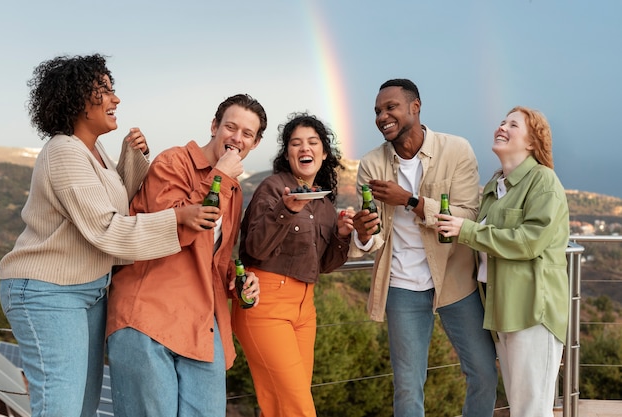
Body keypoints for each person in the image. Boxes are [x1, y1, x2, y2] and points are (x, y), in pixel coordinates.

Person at [0, 54, 210, 417]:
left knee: (82, 406)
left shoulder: (93, 151)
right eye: (105, 91)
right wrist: (177, 218)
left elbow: (110, 205)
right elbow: (106, 229)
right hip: (48, 293)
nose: (116, 99)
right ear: (80, 100)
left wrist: (130, 158)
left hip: (89, 290)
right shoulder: (63, 151)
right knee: (60, 407)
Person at [106, 93, 267, 417]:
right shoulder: (174, 162)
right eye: (231, 127)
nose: (237, 138)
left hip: (202, 324)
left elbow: (215, 260)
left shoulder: (233, 190)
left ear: (256, 142)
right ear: (214, 126)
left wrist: (240, 283)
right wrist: (219, 176)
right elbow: (170, 231)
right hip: (147, 318)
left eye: (247, 134)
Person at [349, 79, 498, 417]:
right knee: (407, 386)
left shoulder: (456, 150)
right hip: (401, 287)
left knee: (484, 373)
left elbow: (468, 215)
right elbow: (373, 238)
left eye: (391, 107)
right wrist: (361, 233)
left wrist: (411, 201)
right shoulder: (371, 164)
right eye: (377, 111)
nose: (382, 116)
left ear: (415, 107)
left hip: (456, 282)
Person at [436, 106, 569, 417]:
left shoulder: (543, 181)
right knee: (521, 407)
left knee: (532, 410)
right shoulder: (495, 186)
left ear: (533, 142)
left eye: (513, 125)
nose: (502, 127)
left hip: (532, 312)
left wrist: (467, 230)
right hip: (502, 314)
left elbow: (529, 241)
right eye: (501, 122)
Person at [232, 112, 353, 417]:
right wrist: (285, 210)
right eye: (296, 143)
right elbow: (254, 247)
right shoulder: (274, 188)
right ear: (287, 154)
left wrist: (341, 235)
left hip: (305, 310)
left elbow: (322, 266)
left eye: (313, 142)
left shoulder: (324, 203)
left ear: (324, 153)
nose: (305, 148)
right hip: (266, 304)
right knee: (298, 408)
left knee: (285, 405)